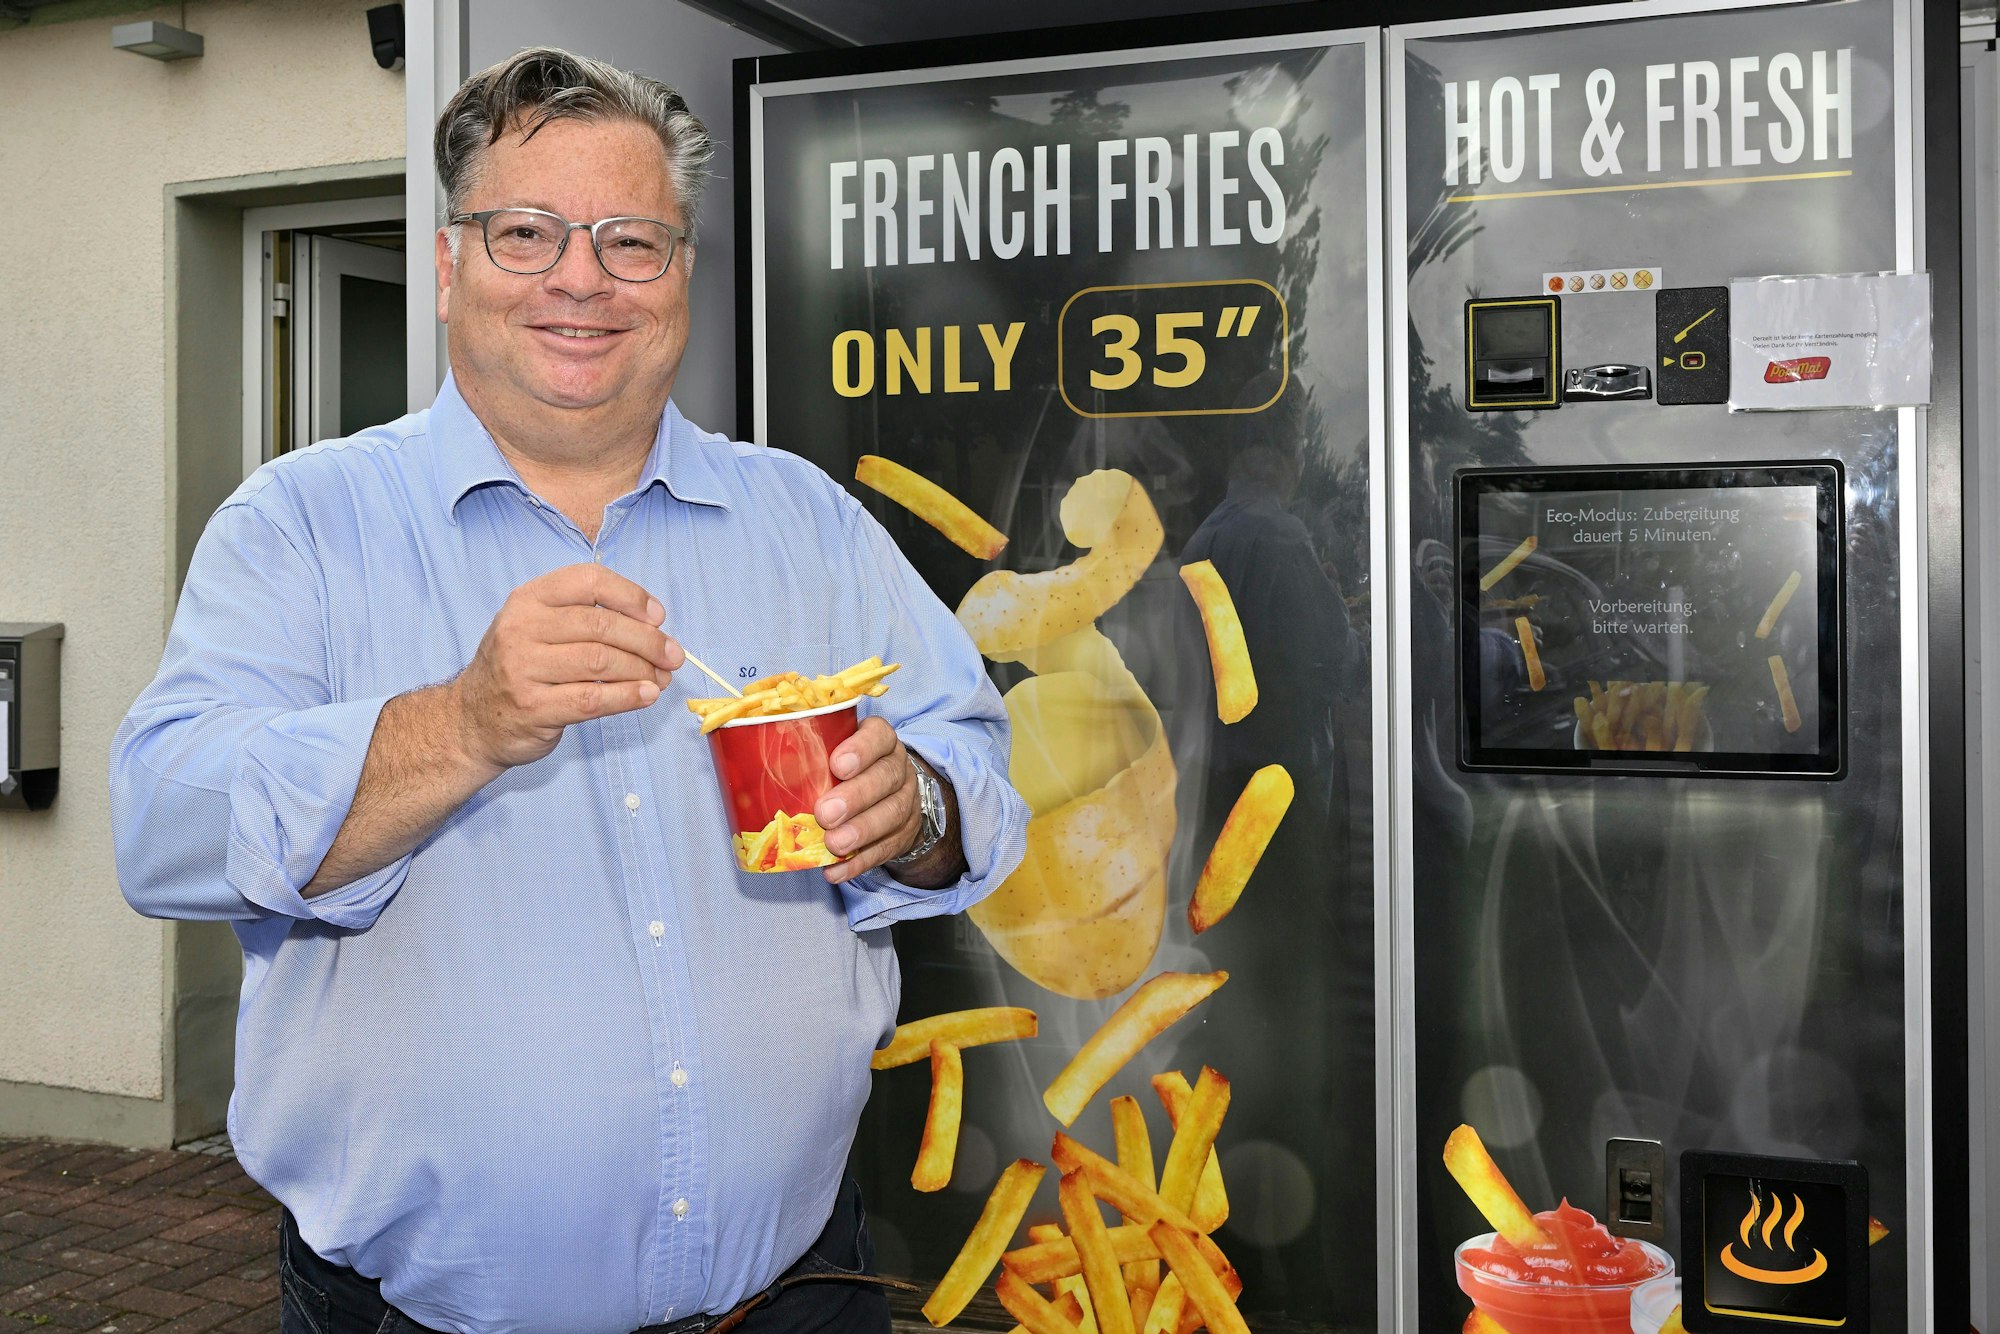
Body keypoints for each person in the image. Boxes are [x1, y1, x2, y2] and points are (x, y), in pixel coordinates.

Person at [109, 48, 1028, 1334]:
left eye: (630, 241)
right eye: (526, 232)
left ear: (681, 276)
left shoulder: (807, 519)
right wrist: (460, 723)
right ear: (448, 266)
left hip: (800, 1290)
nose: (581, 278)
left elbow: (973, 771)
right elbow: (163, 826)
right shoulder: (300, 525)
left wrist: (914, 809)